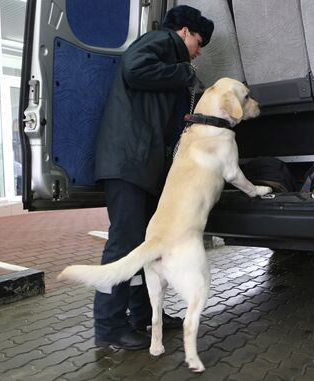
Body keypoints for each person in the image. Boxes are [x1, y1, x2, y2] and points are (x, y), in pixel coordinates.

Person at [92, 5, 214, 350]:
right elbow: (134, 68)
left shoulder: (171, 60)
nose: (199, 52)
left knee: (145, 246)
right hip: (128, 161)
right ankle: (108, 327)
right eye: (199, 42)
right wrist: (185, 75)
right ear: (185, 32)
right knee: (123, 245)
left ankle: (143, 317)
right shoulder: (159, 41)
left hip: (141, 164)